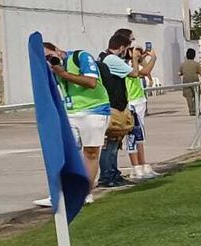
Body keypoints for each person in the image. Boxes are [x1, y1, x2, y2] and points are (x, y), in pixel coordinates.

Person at [37, 40, 108, 203]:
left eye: (49, 56)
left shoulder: (80, 57)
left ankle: (85, 193)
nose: (49, 61)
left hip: (94, 109)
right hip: (70, 112)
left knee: (91, 152)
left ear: (57, 50)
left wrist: (63, 74)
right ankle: (59, 193)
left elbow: (91, 82)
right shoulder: (51, 70)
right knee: (64, 152)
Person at [119, 28, 159, 180]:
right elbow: (143, 71)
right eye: (131, 39)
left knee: (140, 136)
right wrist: (153, 58)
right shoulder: (123, 62)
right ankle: (135, 167)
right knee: (132, 136)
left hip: (138, 99)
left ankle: (143, 165)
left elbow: (144, 69)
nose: (134, 42)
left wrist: (142, 57)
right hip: (131, 101)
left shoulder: (133, 58)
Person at [96, 33, 134, 188]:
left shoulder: (103, 57)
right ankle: (107, 176)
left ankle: (112, 173)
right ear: (122, 47)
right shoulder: (111, 59)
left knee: (113, 143)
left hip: (113, 105)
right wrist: (135, 58)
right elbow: (135, 73)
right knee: (110, 144)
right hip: (113, 106)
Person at [179, 48, 201, 115]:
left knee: (189, 97)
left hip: (186, 82)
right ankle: (197, 110)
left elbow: (179, 73)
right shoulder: (196, 64)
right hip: (195, 81)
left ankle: (191, 111)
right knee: (196, 96)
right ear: (194, 55)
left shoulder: (183, 64)